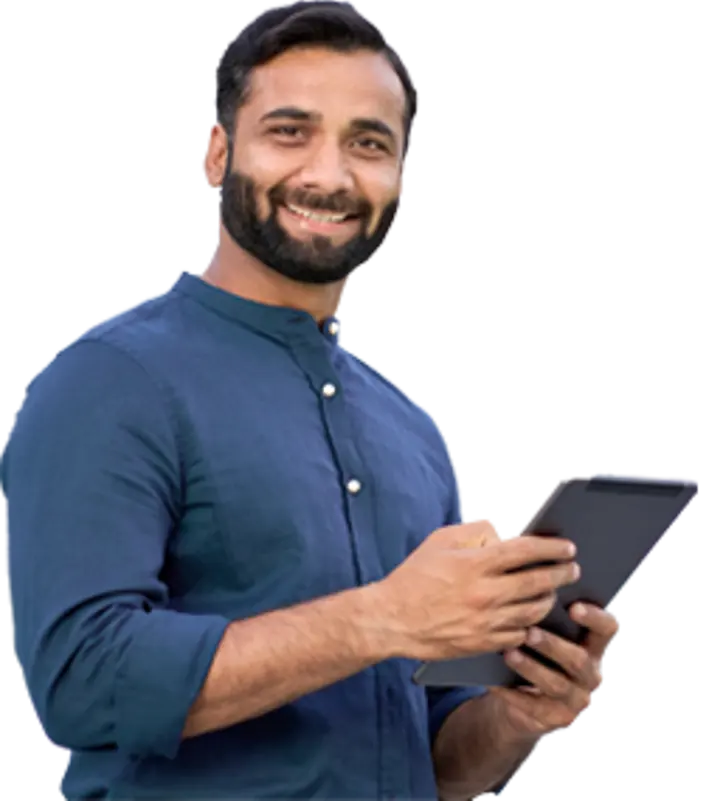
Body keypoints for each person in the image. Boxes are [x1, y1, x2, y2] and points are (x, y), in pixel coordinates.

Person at [0, 2, 619, 799]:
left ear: (400, 178)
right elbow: (83, 682)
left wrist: (514, 713)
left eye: (368, 143)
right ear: (216, 154)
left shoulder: (411, 432)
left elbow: (429, 765)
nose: (328, 175)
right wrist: (381, 617)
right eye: (289, 132)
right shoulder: (109, 382)